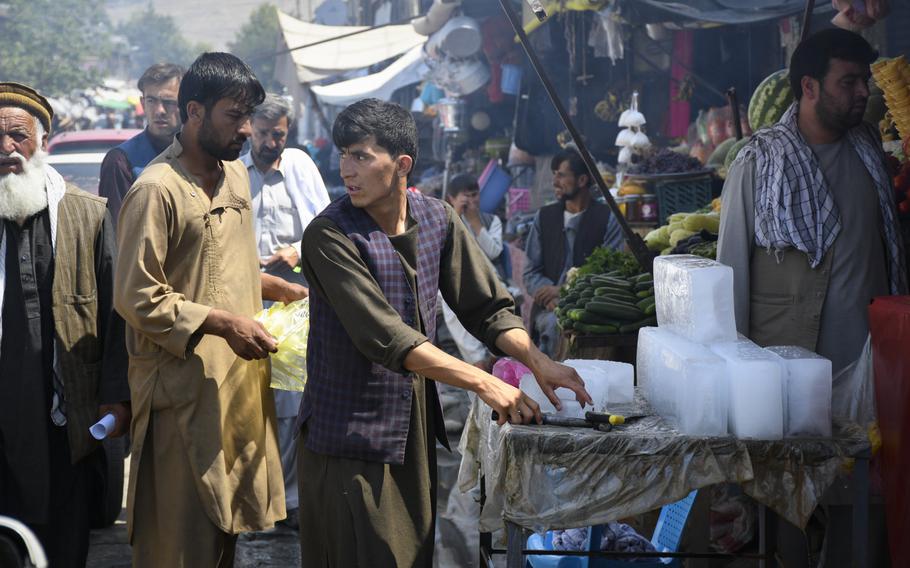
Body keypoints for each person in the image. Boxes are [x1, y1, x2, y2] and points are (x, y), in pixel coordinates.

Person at [296, 98, 592, 567]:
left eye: (361, 156)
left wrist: (540, 362)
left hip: (410, 429)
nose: (346, 169)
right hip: (348, 436)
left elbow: (489, 308)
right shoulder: (329, 237)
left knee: (412, 557)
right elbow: (390, 338)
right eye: (343, 154)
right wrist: (487, 382)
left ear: (402, 164)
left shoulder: (436, 218)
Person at [717, 29, 903, 566]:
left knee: (862, 515)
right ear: (809, 87)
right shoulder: (758, 163)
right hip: (785, 375)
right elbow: (731, 275)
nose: (862, 92)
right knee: (787, 516)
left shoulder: (869, 153)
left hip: (866, 370)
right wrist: (735, 376)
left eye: (864, 80)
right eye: (848, 82)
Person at [113, 53, 304, 567]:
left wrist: (275, 288)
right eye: (234, 116)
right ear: (193, 111)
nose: (247, 128)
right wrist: (222, 323)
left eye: (250, 116)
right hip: (181, 390)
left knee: (227, 532)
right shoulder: (156, 190)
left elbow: (222, 268)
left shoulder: (236, 177)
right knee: (177, 541)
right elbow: (135, 295)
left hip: (238, 387)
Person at [0, 82, 130, 567]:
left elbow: (117, 313)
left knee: (64, 533)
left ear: (42, 143)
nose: (6, 149)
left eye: (18, 136)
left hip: (65, 411)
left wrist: (117, 399)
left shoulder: (88, 215)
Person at [239, 93, 330, 529]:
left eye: (278, 134)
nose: (271, 142)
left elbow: (323, 225)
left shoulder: (299, 166)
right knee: (252, 404)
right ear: (250, 131)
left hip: (296, 302)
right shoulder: (235, 174)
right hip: (249, 300)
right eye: (263, 134)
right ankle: (255, 496)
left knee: (293, 401)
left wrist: (295, 251)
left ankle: (291, 501)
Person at [523, 147, 625, 357]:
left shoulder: (608, 218)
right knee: (554, 325)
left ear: (582, 180)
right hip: (549, 308)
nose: (555, 182)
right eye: (554, 175)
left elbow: (610, 273)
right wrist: (549, 295)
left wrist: (563, 290)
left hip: (591, 306)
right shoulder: (544, 217)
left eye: (561, 175)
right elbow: (530, 271)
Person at [99, 62, 184, 226]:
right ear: (142, 103)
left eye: (168, 102)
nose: (159, 110)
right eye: (151, 100)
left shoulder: (201, 157)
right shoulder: (121, 162)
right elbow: (116, 236)